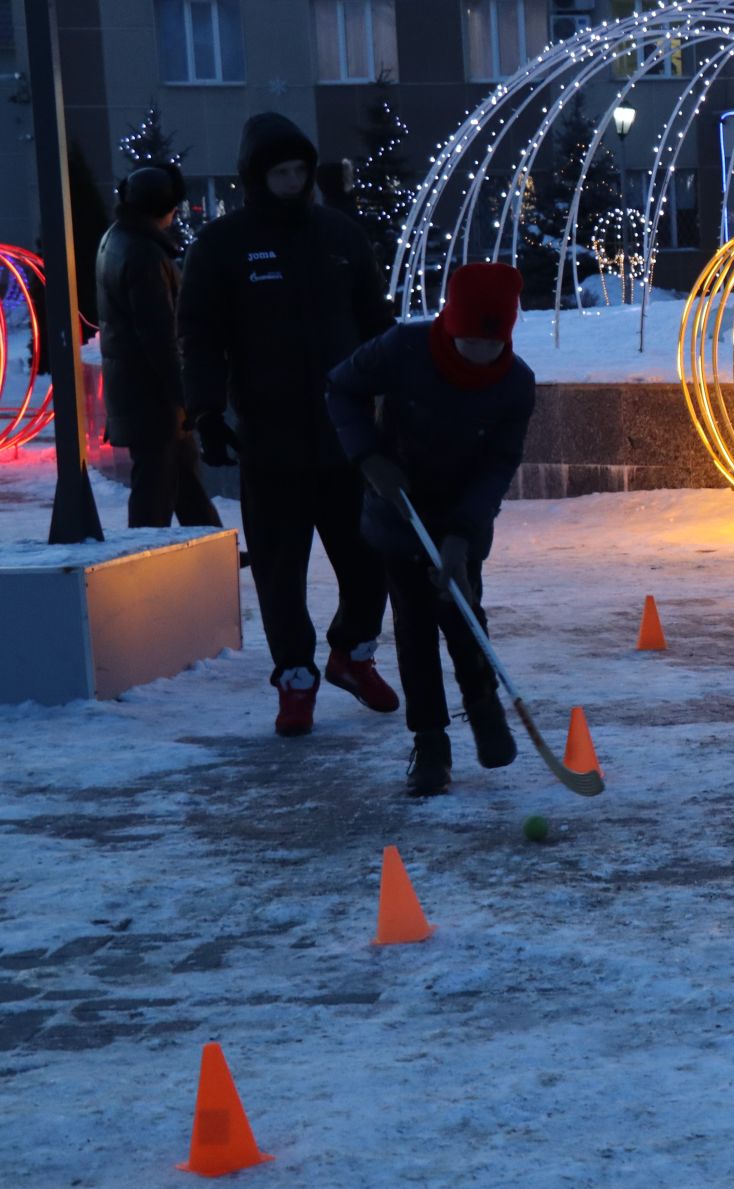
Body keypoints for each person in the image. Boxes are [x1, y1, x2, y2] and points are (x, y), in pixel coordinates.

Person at [178, 112, 397, 737]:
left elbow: (376, 325)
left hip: (345, 437)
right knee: (280, 572)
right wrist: (206, 411)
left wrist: (398, 395)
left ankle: (353, 656)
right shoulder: (223, 246)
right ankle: (295, 678)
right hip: (269, 440)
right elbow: (199, 335)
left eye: (300, 170)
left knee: (368, 561)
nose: (292, 181)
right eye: (280, 171)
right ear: (256, 175)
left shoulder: (341, 237)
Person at [327, 263, 534, 798]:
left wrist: (462, 538)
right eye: (469, 340)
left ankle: (485, 709)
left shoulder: (515, 384)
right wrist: (370, 458)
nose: (480, 354)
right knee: (416, 628)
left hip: (462, 515)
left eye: (493, 344)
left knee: (464, 614)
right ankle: (430, 742)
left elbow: (499, 465)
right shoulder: (403, 348)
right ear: (449, 322)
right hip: (399, 509)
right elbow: (341, 389)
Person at [96, 163, 221, 529]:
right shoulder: (145, 255)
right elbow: (159, 334)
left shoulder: (117, 239)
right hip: (152, 398)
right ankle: (144, 557)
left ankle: (210, 545)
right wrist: (186, 395)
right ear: (167, 208)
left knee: (182, 475)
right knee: (156, 486)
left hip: (139, 391)